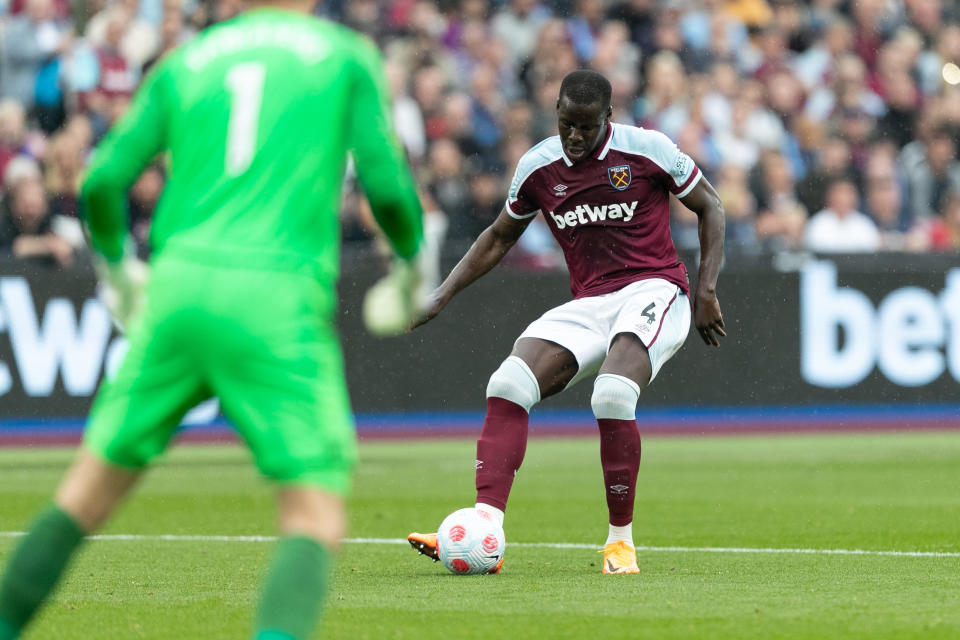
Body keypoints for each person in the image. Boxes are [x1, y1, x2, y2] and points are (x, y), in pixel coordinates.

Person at [0, 1, 425, 638]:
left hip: (176, 289)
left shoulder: (187, 61)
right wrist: (413, 272)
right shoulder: (343, 56)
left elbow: (101, 184)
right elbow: (388, 190)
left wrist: (118, 273)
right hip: (275, 295)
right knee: (313, 516)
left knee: (83, 496)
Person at [407, 69, 726, 575]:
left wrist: (706, 289)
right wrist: (441, 295)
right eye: (565, 124)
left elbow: (709, 205)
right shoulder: (538, 165)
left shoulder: (647, 149)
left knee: (613, 393)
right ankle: (485, 526)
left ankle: (619, 542)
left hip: (656, 289)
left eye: (586, 126)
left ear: (608, 118)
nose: (574, 137)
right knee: (508, 382)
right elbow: (498, 237)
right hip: (591, 302)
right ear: (555, 112)